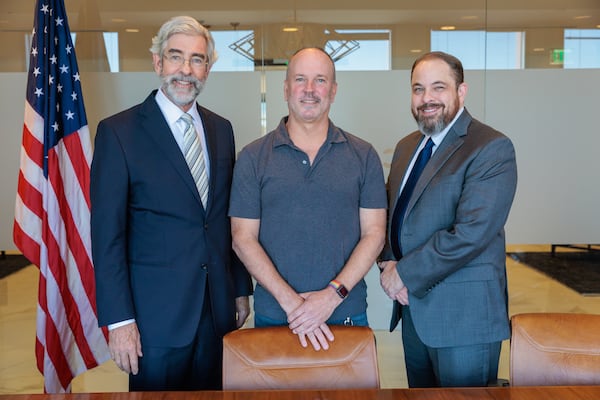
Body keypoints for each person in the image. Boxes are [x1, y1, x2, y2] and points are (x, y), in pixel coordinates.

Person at [90, 16, 252, 391]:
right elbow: (107, 237)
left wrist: (240, 288)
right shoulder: (118, 132)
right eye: (175, 56)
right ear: (157, 62)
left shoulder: (221, 130)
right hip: (153, 322)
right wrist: (119, 322)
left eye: (197, 59)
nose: (185, 69)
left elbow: (226, 218)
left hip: (217, 313)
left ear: (207, 69)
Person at [229, 47, 387, 351]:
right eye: (300, 80)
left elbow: (375, 234)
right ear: (286, 89)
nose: (310, 90)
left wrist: (331, 297)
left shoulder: (363, 155)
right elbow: (242, 238)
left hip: (345, 315)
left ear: (334, 90)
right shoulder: (252, 157)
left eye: (320, 80)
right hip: (276, 318)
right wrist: (293, 304)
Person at [378, 51, 518, 388]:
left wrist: (404, 274)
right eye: (418, 89)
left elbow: (471, 234)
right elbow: (392, 216)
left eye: (438, 87)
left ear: (461, 91)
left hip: (464, 318)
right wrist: (387, 263)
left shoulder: (491, 147)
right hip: (413, 312)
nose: (427, 99)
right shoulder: (406, 147)